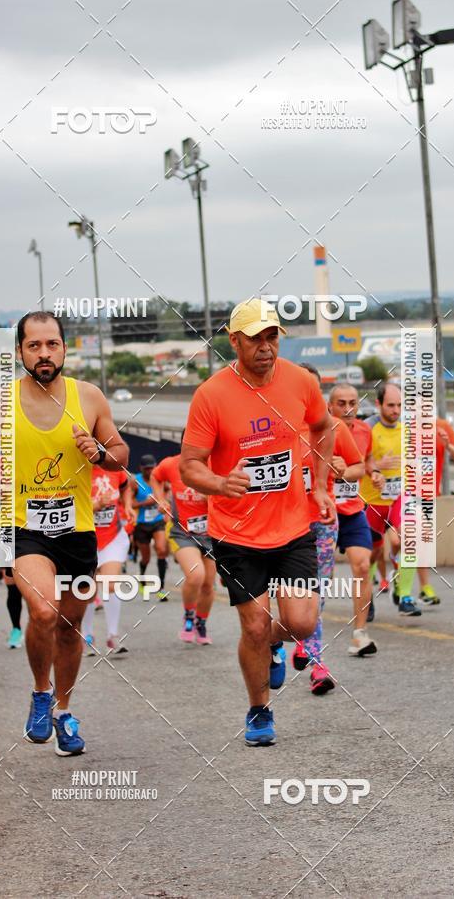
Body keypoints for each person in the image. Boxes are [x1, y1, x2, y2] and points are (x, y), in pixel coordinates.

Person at [0, 311, 129, 756]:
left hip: (77, 530)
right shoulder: (0, 400)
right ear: (20, 351)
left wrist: (100, 453)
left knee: (70, 628)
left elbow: (120, 453)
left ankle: (63, 711)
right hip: (22, 528)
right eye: (34, 345)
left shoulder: (88, 396)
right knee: (43, 609)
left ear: (64, 349)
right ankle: (40, 691)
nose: (44, 353)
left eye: (51, 344)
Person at [180, 298, 336, 747]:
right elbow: (190, 465)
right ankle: (259, 709)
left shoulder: (301, 381)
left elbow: (324, 427)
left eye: (272, 337)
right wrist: (219, 483)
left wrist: (319, 486)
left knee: (301, 623)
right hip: (236, 533)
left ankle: (271, 644)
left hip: (292, 527)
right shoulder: (211, 395)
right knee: (253, 625)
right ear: (234, 341)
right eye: (255, 339)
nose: (266, 347)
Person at [292, 368, 370, 697]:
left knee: (317, 592)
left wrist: (343, 470)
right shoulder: (278, 427)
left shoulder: (334, 427)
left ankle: (316, 663)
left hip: (323, 520)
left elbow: (358, 466)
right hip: (283, 525)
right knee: (288, 594)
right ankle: (280, 643)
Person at [360, 383, 421, 616]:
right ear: (379, 404)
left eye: (399, 405)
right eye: (391, 405)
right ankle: (367, 599)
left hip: (398, 499)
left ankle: (405, 596)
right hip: (371, 501)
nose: (396, 410)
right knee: (372, 554)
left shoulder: (406, 430)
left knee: (408, 539)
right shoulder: (367, 428)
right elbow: (357, 461)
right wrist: (377, 466)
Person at [327, 383, 378, 654]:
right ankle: (306, 634)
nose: (348, 409)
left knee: (362, 565)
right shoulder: (320, 432)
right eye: (341, 404)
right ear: (329, 407)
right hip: (323, 512)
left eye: (352, 403)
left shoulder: (365, 430)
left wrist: (374, 472)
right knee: (321, 576)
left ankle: (360, 634)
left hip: (352, 510)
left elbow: (365, 460)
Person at [151, 438, 216, 645]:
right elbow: (155, 476)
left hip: (211, 534)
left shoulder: (215, 464)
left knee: (208, 584)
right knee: (196, 575)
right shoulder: (171, 464)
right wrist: (161, 498)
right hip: (183, 532)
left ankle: (201, 623)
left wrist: (212, 498)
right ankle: (189, 616)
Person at [81, 463, 135, 655]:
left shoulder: (114, 469)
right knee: (88, 590)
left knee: (110, 584)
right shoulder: (76, 469)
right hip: (84, 538)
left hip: (112, 537)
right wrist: (96, 505)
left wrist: (127, 506)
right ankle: (87, 636)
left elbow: (126, 487)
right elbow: (71, 507)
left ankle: (113, 636)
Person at [414, 418, 454, 604]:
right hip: (405, 494)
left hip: (428, 495)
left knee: (421, 541)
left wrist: (448, 445)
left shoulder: (441, 426)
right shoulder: (403, 424)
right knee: (406, 540)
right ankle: (402, 578)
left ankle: (423, 588)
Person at [132, 455, 168, 600]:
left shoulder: (160, 479)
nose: (150, 471)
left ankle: (161, 588)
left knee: (161, 550)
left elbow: (168, 490)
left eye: (152, 468)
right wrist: (144, 503)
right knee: (145, 558)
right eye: (147, 469)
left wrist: (164, 502)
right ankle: (142, 577)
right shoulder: (135, 482)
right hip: (141, 524)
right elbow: (129, 504)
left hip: (157, 521)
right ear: (141, 468)